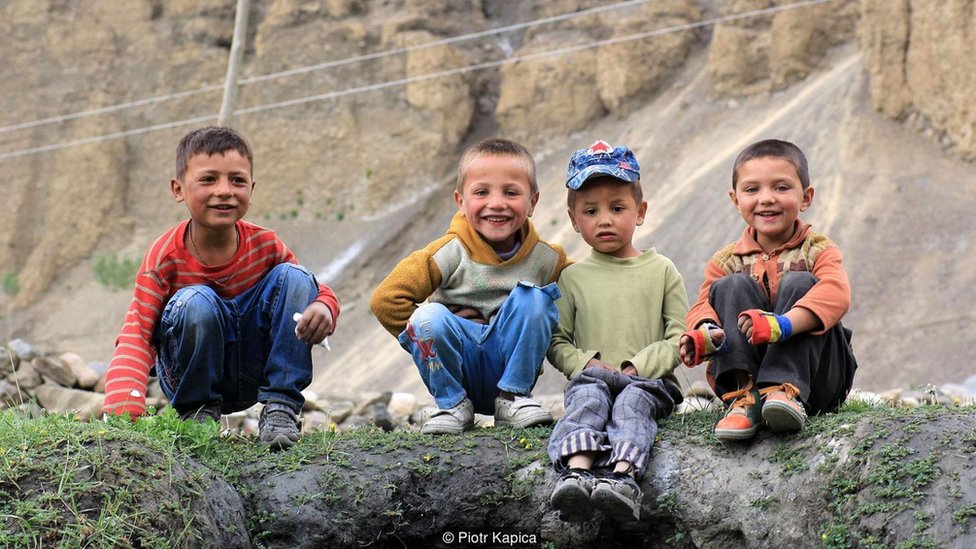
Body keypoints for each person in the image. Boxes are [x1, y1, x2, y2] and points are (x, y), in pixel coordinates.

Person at [102, 126, 340, 450]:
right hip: (191, 379)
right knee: (196, 301)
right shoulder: (163, 258)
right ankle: (198, 418)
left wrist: (324, 307)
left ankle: (280, 409)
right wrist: (123, 411)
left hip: (252, 375)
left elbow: (309, 289)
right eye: (208, 179)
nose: (225, 191)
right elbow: (136, 332)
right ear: (178, 189)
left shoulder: (264, 244)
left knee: (296, 277)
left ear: (251, 189)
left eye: (237, 180)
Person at [370, 138, 569, 435]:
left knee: (535, 301)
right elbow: (386, 300)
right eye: (481, 192)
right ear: (461, 201)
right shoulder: (450, 252)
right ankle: (452, 404)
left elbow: (584, 294)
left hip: (512, 371)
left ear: (533, 202)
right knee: (428, 317)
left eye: (511, 192)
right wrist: (427, 336)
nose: (497, 203)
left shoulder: (545, 258)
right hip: (458, 369)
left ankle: (513, 398)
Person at [680, 138, 857, 443]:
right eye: (752, 190)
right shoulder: (726, 260)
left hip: (818, 382)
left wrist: (782, 325)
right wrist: (703, 332)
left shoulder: (818, 250)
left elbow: (837, 293)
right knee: (730, 286)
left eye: (781, 187)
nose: (767, 199)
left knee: (800, 282)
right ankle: (743, 398)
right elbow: (702, 305)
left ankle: (784, 391)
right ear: (736, 200)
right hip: (743, 382)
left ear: (806, 197)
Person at [546, 140, 686, 523]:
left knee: (630, 405)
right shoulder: (571, 278)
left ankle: (623, 479)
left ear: (640, 212)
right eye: (591, 211)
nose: (604, 219)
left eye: (617, 208)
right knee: (587, 401)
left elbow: (679, 334)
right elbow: (557, 341)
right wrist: (588, 363)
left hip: (649, 383)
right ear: (574, 220)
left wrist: (638, 367)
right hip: (593, 378)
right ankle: (575, 472)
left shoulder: (662, 271)